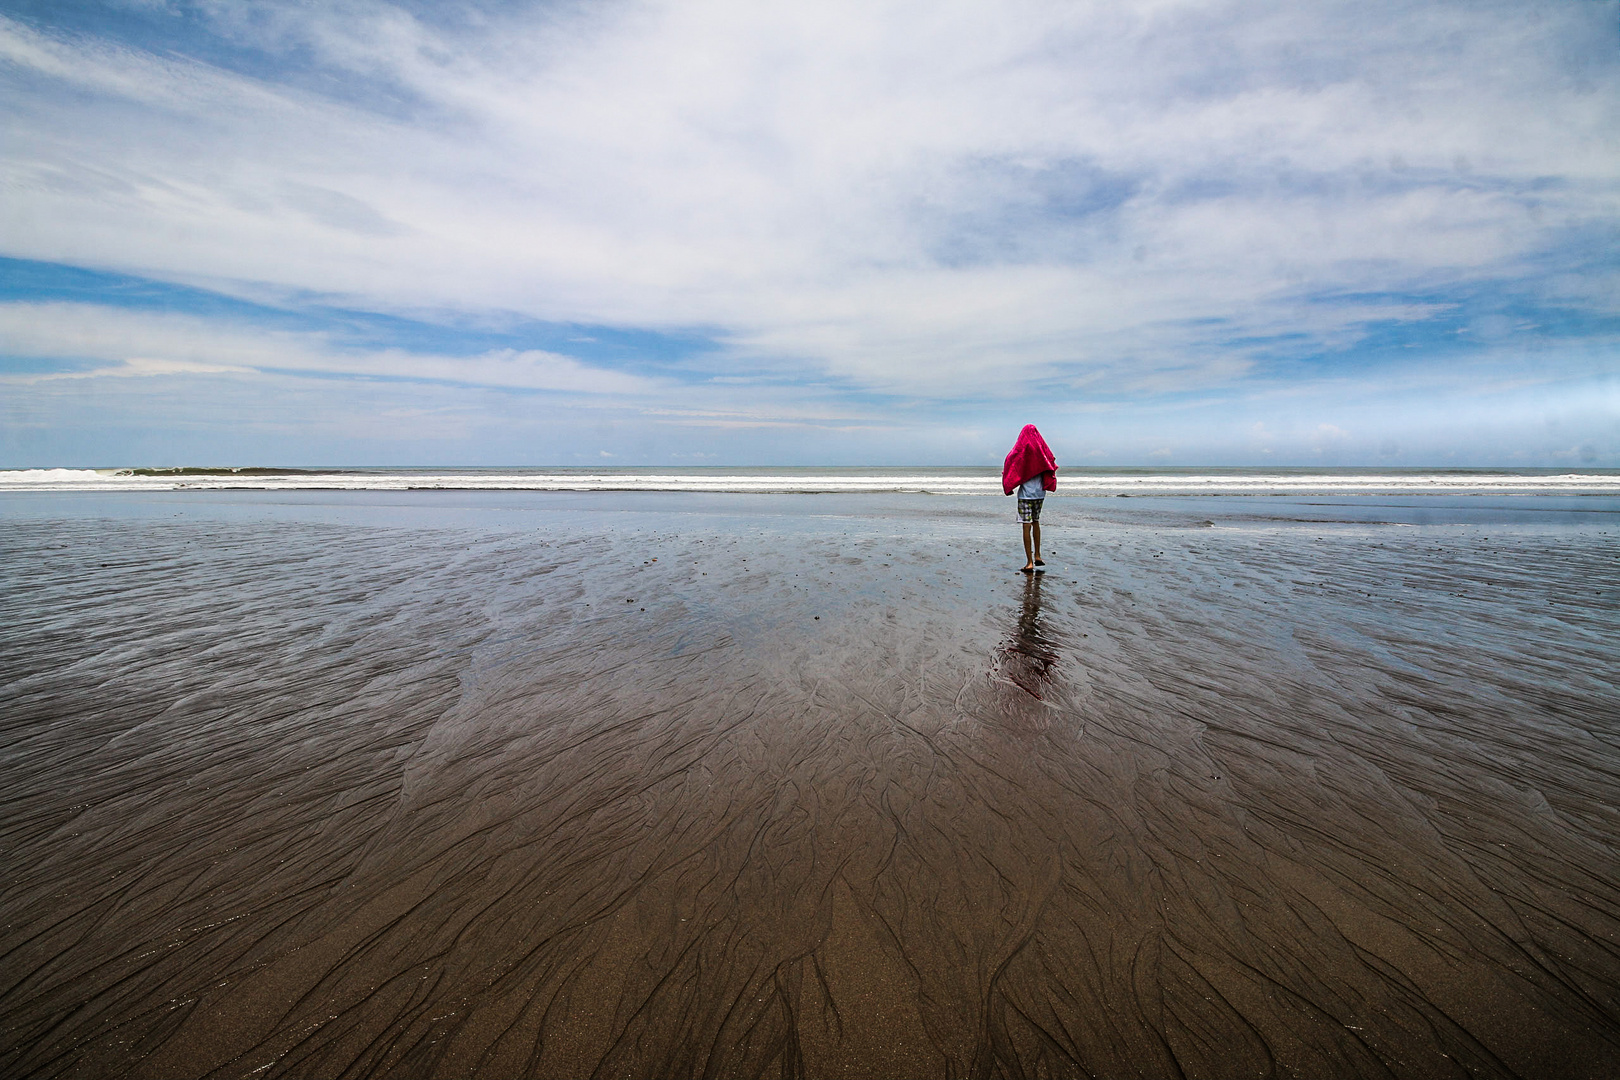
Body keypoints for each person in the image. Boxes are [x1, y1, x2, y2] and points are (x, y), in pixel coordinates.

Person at [1001, 424, 1057, 573]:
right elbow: (1051, 460)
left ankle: (1029, 562)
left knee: (1026, 525)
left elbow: (1011, 463)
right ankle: (1038, 555)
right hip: (1040, 494)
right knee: (1036, 522)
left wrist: (1008, 484)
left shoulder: (1022, 451)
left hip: (1026, 495)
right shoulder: (1041, 450)